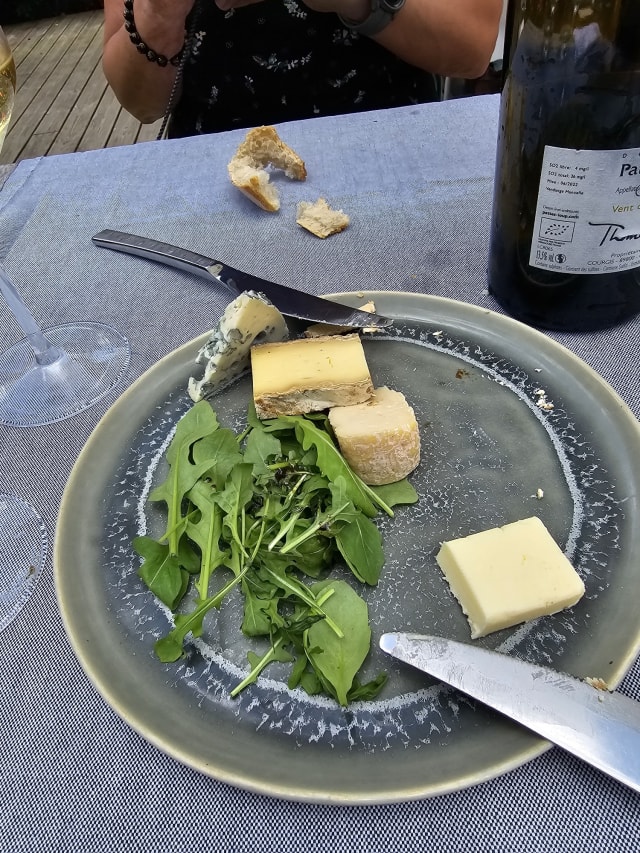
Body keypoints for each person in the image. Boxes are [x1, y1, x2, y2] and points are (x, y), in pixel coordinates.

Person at [103, 0, 503, 137]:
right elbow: (142, 104)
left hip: (391, 163)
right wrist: (159, 16)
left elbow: (470, 50)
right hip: (219, 183)